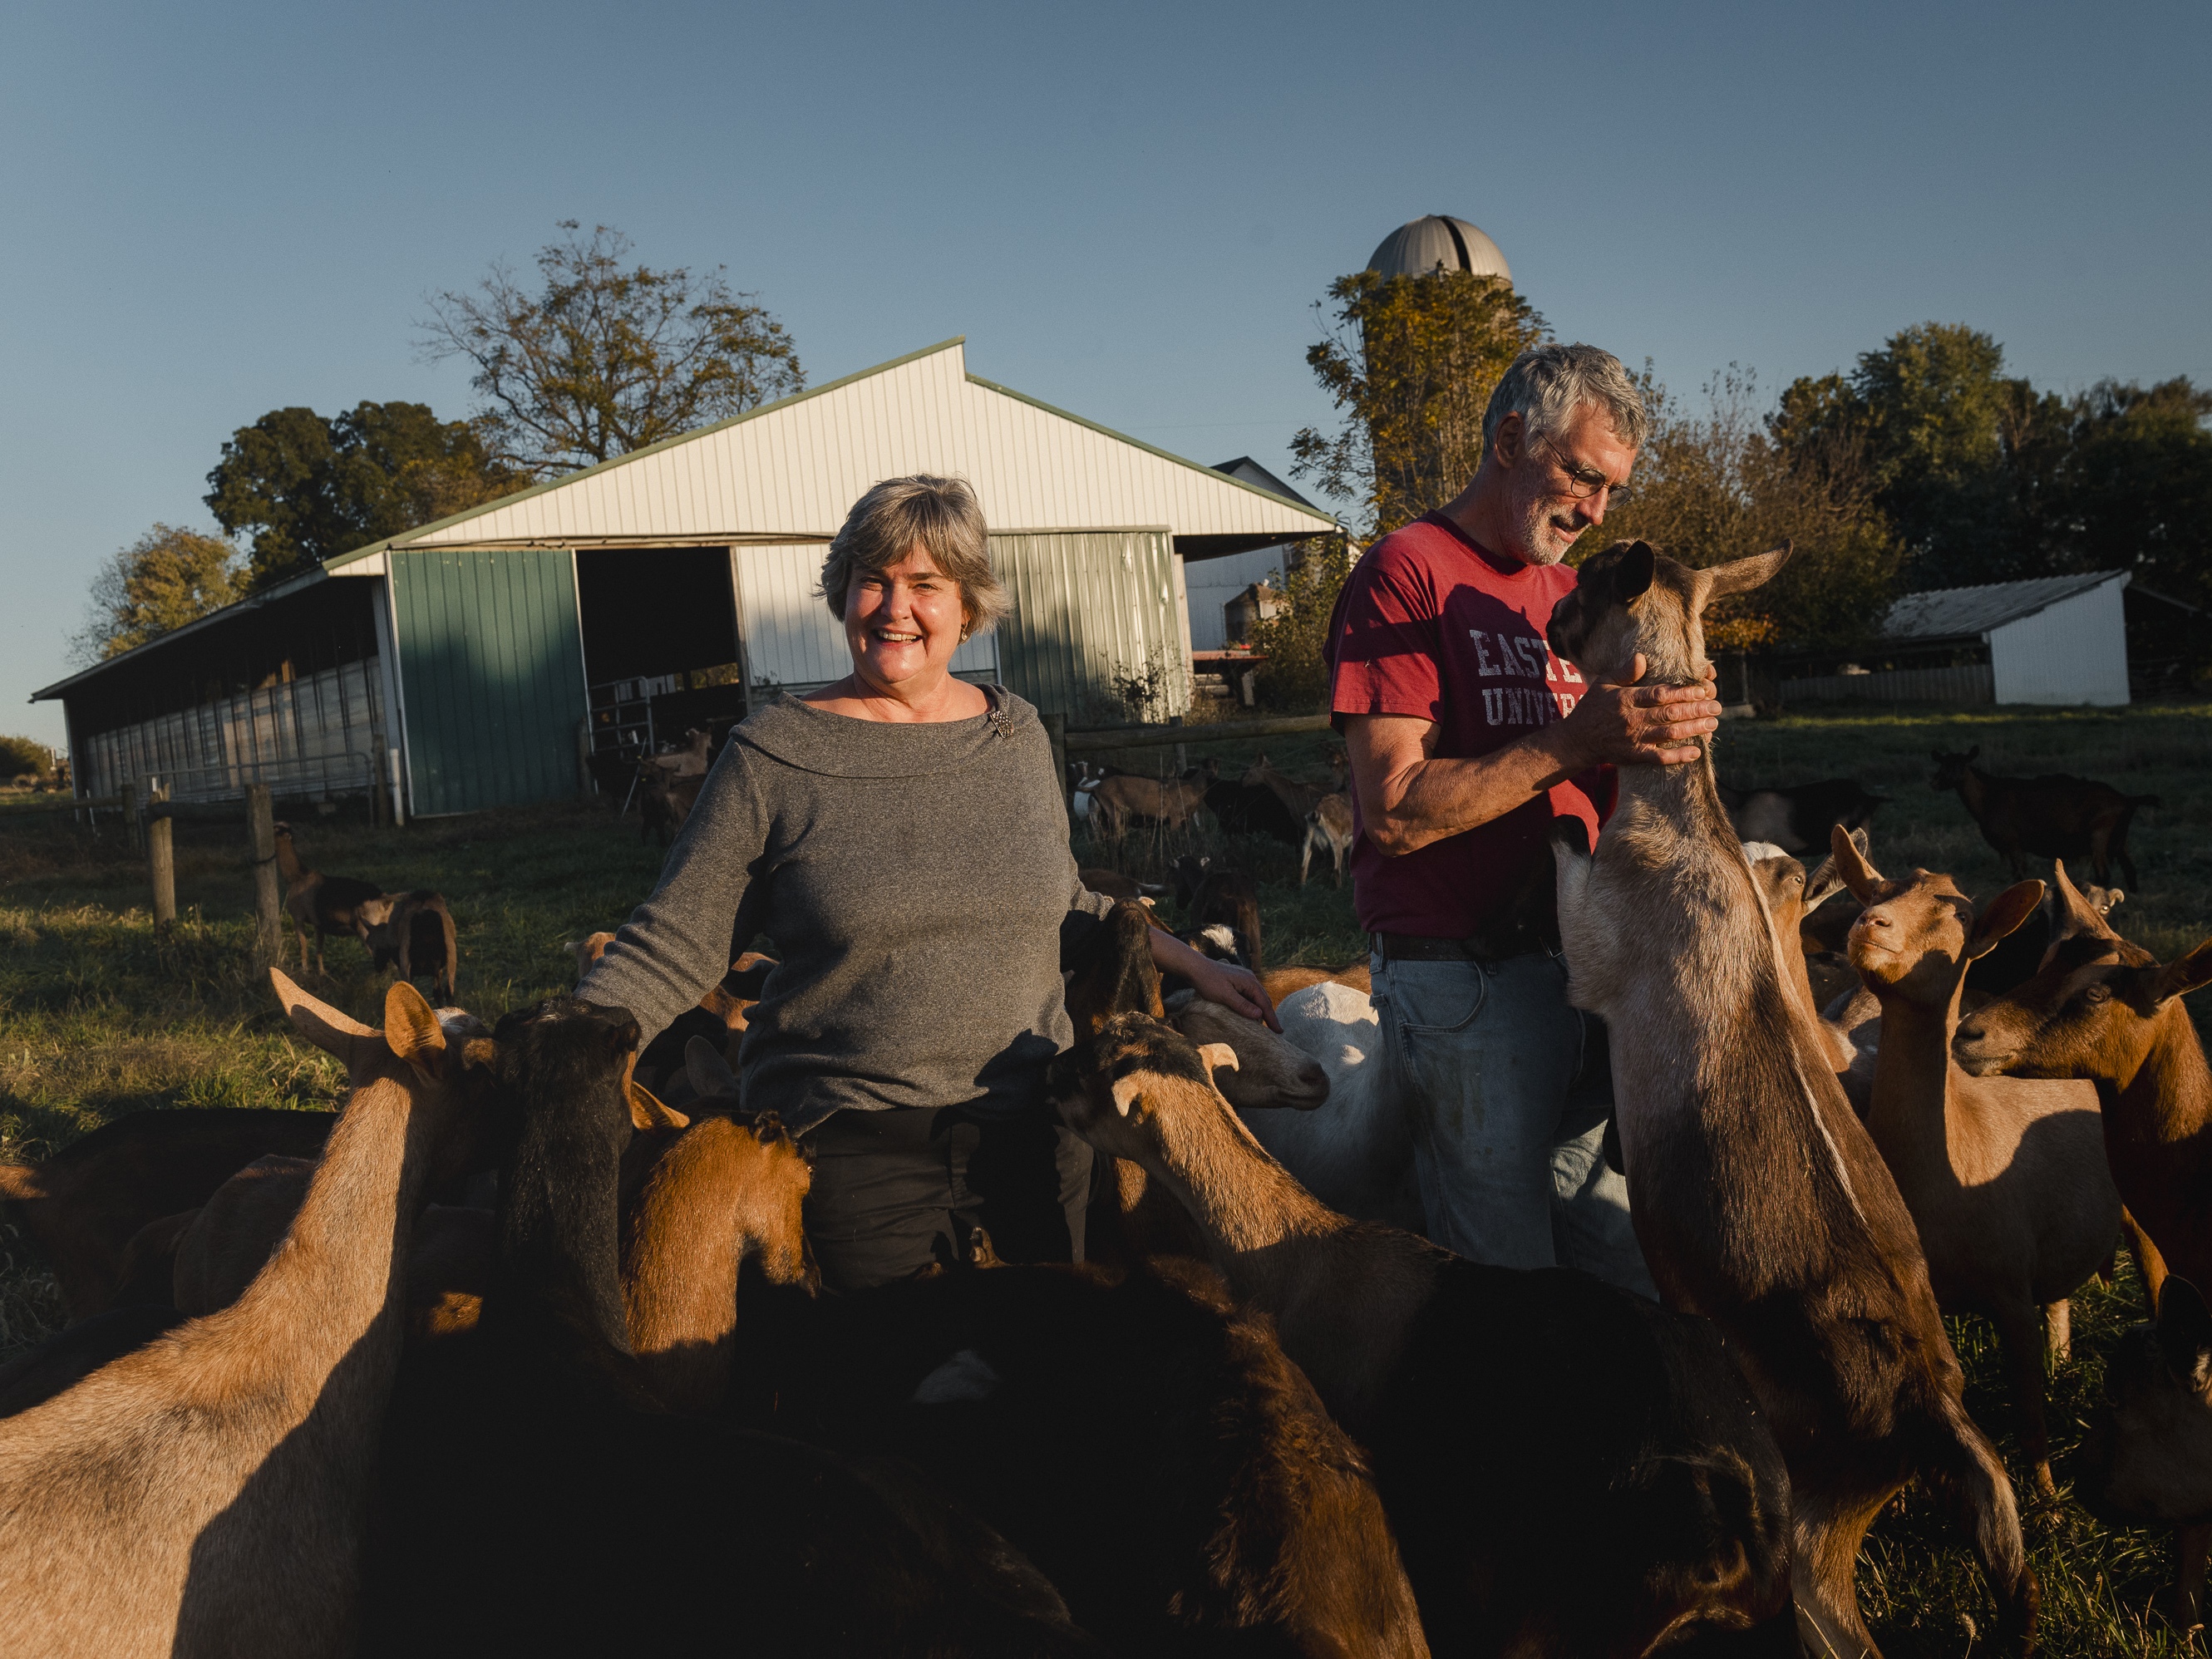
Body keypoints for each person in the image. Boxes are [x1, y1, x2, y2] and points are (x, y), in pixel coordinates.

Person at [580, 475, 1274, 1292]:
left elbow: (1063, 905)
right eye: (873, 579)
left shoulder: (1012, 734)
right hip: (848, 1149)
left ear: (968, 604)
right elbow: (677, 944)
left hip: (1037, 1131)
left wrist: (1195, 963)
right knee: (896, 1397)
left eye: (925, 585)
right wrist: (569, 1039)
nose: (894, 608)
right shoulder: (774, 755)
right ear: (841, 591)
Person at [1326, 343, 1722, 1295]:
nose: (1595, 511)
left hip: (1585, 978)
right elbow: (1393, 814)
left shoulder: (1566, 596)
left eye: (1611, 491)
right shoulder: (1404, 573)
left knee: (1625, 1271)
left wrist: (1676, 727)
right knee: (1509, 1289)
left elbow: (1612, 754)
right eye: (1582, 476)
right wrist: (1577, 740)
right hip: (1469, 987)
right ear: (1510, 438)